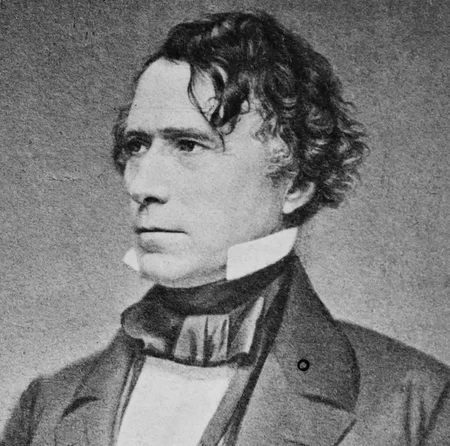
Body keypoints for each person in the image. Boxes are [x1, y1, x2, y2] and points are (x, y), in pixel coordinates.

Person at [2, 10, 450, 446]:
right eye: (136, 145)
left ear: (295, 183)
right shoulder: (46, 407)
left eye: (188, 145)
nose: (141, 185)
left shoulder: (416, 405)